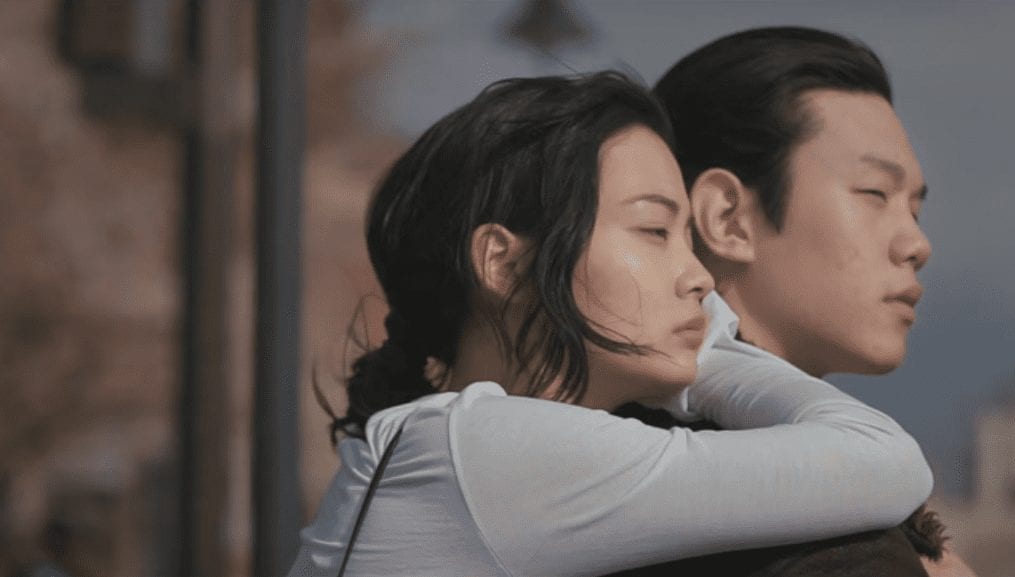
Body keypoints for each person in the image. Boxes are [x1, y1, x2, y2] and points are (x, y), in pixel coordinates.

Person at [288, 71, 932, 577]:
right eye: (653, 231)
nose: (699, 279)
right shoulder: (481, 448)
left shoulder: (463, 449)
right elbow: (881, 460)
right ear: (503, 263)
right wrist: (709, 353)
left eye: (688, 239)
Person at [611, 26, 976, 576]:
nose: (916, 244)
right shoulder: (810, 530)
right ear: (727, 218)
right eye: (874, 194)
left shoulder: (611, 463)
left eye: (915, 210)